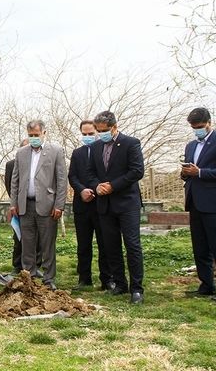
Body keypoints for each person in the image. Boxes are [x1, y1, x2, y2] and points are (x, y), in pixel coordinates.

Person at [86, 111, 145, 304]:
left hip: (127, 203)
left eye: (104, 130)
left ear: (114, 127)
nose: (101, 133)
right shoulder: (95, 147)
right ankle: (120, 283)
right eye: (98, 130)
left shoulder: (130, 143)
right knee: (111, 246)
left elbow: (136, 171)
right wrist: (97, 185)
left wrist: (113, 185)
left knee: (132, 245)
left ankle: (137, 288)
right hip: (105, 204)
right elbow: (90, 172)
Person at [181, 107, 216, 303]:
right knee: (201, 248)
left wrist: (201, 172)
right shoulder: (190, 146)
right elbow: (190, 170)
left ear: (209, 123)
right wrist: (186, 173)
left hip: (215, 205)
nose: (197, 130)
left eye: (200, 126)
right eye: (193, 127)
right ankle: (206, 285)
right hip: (195, 202)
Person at [9, 120, 67, 291]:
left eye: (36, 135)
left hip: (48, 206)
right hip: (25, 205)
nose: (33, 138)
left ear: (44, 133)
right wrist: (14, 203)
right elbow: (15, 180)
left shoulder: (55, 151)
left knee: (47, 245)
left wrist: (59, 205)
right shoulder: (21, 153)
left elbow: (62, 180)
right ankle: (29, 277)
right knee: (27, 244)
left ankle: (49, 279)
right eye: (31, 135)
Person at [68, 120, 112, 290]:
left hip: (101, 203)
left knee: (104, 243)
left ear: (97, 132)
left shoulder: (104, 150)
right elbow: (73, 176)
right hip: (82, 204)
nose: (87, 137)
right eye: (84, 134)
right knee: (83, 244)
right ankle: (84, 278)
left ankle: (106, 279)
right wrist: (81, 190)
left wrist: (95, 189)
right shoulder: (77, 153)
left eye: (90, 134)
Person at [4, 138, 42, 275]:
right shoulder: (11, 164)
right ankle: (17, 265)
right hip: (20, 206)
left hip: (38, 205)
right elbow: (10, 185)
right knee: (19, 237)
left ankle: (35, 266)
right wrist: (15, 204)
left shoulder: (39, 162)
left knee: (37, 237)